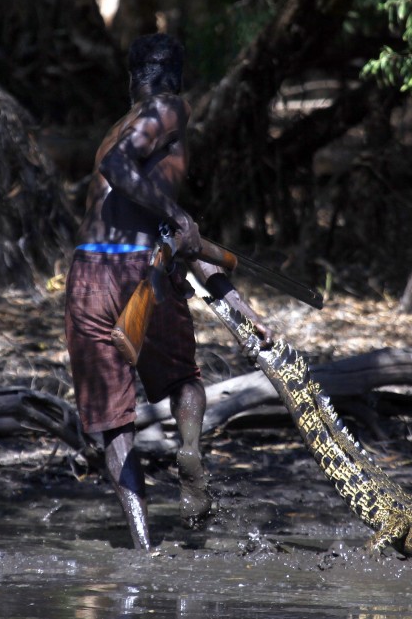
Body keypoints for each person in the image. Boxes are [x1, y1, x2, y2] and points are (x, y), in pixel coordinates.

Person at [64, 33, 271, 550]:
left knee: (113, 423)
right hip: (137, 270)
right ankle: (191, 453)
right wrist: (179, 214)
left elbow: (176, 241)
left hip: (88, 273)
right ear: (178, 80)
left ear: (130, 78)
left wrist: (241, 308)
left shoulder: (120, 126)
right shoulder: (170, 108)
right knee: (184, 382)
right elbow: (143, 198)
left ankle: (141, 541)